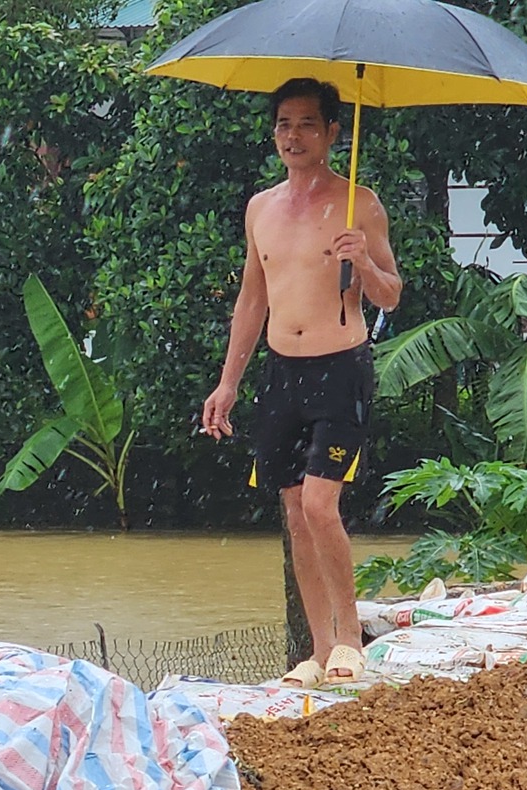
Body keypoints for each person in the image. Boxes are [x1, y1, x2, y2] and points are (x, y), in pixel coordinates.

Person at [201, 77, 402, 688]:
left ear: (333, 133)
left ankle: (350, 640)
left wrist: (363, 259)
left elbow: (390, 294)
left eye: (308, 124)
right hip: (280, 372)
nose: (294, 135)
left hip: (340, 367)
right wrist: (227, 382)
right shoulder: (260, 208)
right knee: (292, 509)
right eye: (285, 123)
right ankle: (317, 649)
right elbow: (251, 298)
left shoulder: (358, 204)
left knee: (320, 503)